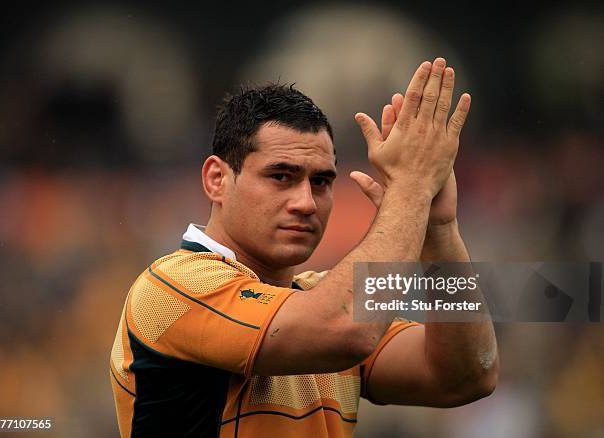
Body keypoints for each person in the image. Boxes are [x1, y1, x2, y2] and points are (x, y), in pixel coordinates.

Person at [109, 57, 498, 437]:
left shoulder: (318, 296)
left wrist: (438, 228)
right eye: (281, 176)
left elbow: (466, 375)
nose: (306, 202)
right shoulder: (174, 287)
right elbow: (346, 329)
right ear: (216, 180)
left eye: (321, 182)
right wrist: (411, 187)